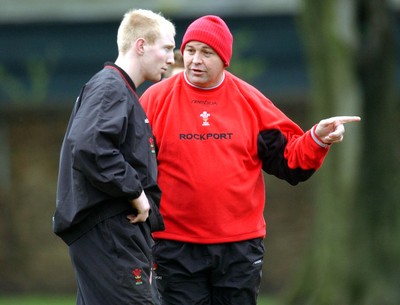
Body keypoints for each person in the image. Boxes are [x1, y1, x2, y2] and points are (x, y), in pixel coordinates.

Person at [140, 15, 361, 305]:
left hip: (238, 247)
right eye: (190, 51)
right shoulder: (154, 100)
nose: (195, 60)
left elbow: (289, 161)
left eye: (207, 53)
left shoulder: (250, 101)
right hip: (175, 245)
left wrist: (318, 137)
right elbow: (131, 164)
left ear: (224, 59)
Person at [53, 9, 175, 305]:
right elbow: (88, 145)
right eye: (168, 48)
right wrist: (136, 192)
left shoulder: (117, 89)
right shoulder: (111, 88)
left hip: (113, 234)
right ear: (141, 45)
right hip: (109, 233)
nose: (172, 59)